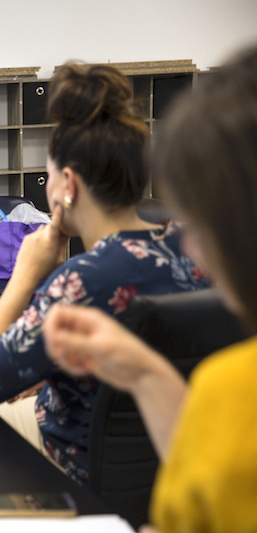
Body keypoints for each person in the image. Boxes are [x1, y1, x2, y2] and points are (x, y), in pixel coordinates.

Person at [0, 63, 210, 486]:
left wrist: (23, 277)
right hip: (181, 466)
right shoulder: (200, 251)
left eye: (50, 174)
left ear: (68, 185)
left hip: (82, 473)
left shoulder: (79, 282)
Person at [43, 44, 257, 533]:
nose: (197, 252)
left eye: (204, 224)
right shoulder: (223, 386)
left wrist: (28, 275)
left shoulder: (231, 391)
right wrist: (145, 374)